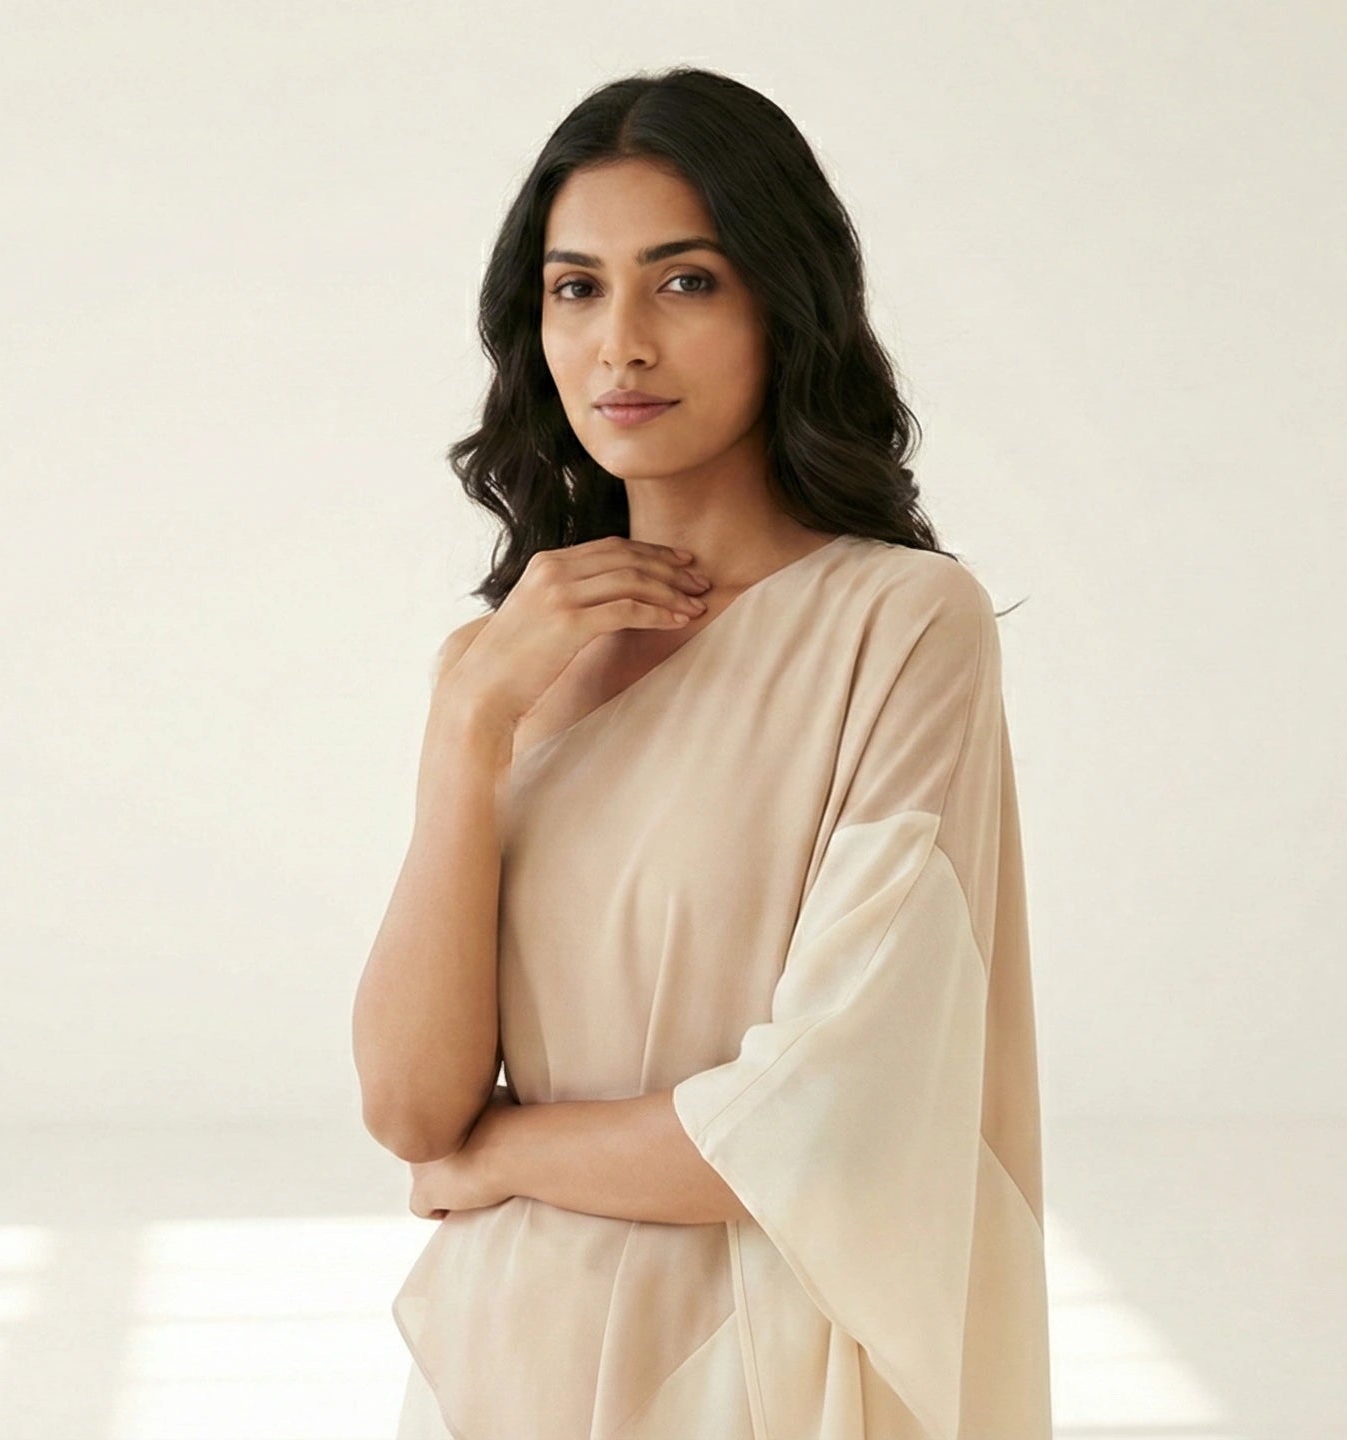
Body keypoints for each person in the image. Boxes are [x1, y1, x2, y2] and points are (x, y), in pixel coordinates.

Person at [348, 67, 1049, 1440]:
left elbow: (831, 1112)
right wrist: (467, 727)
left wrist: (503, 1155)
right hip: (510, 1362)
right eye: (576, 288)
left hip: (761, 1374)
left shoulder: (900, 626)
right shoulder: (499, 670)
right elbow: (409, 1102)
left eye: (684, 283)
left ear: (784, 303)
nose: (622, 344)